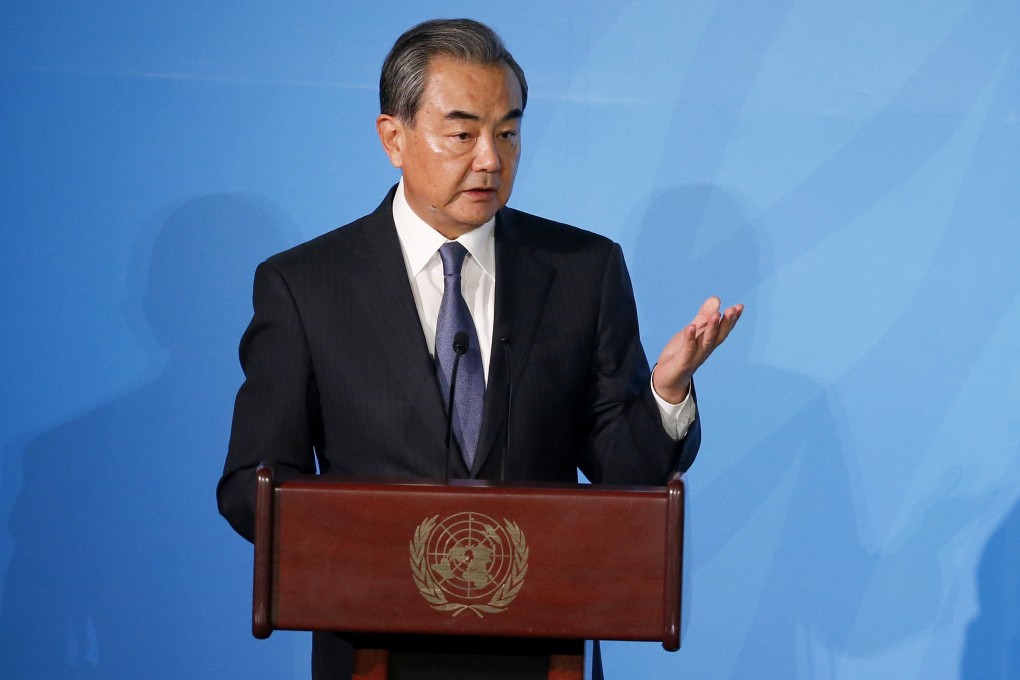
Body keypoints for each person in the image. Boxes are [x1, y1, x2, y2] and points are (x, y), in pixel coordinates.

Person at [217, 18, 742, 680]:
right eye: (463, 134)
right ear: (394, 138)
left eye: (508, 132)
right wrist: (370, 546)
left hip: (543, 651)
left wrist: (665, 395)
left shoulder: (583, 270)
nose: (491, 158)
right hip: (374, 650)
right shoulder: (305, 286)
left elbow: (622, 472)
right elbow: (251, 486)